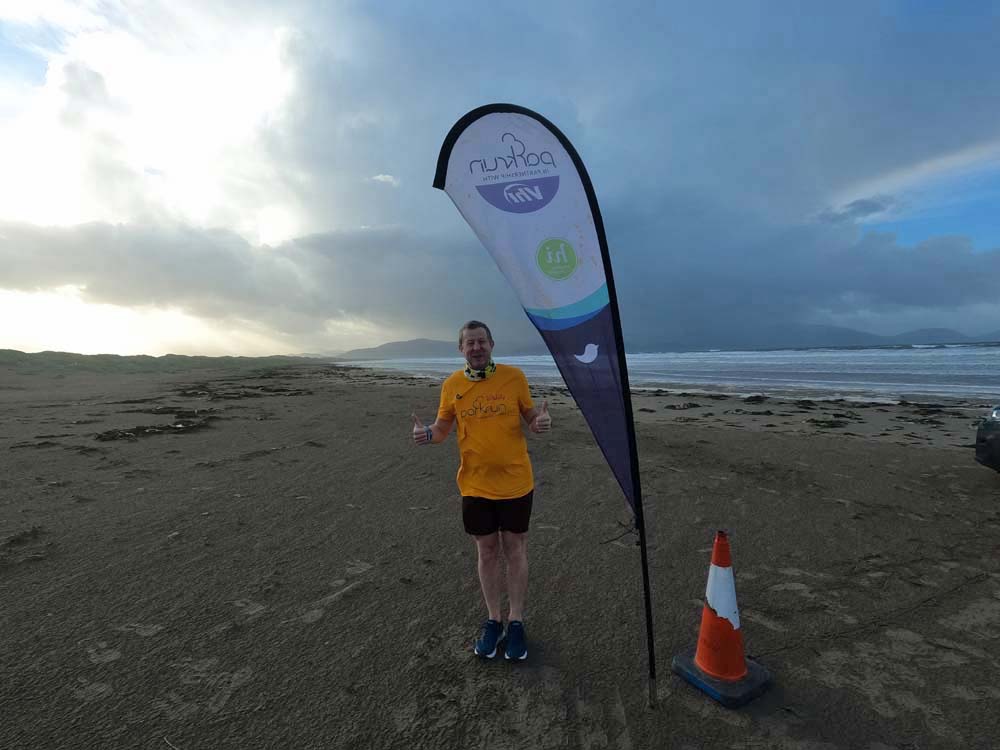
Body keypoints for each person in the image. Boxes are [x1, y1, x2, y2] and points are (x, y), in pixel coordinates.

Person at [411, 320, 551, 661]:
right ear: (461, 349)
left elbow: (530, 415)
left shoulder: (514, 377)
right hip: (474, 485)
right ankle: (494, 620)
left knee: (514, 548)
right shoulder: (452, 385)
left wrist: (539, 422)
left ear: (491, 344)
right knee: (487, 551)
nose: (476, 347)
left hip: (516, 481)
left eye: (481, 341)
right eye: (469, 343)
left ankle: (516, 621)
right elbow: (444, 427)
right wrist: (427, 433)